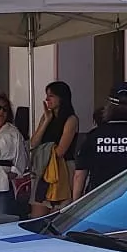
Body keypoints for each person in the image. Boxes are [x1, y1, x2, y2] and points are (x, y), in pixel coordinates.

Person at [73, 82, 127, 199]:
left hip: (100, 203)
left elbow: (80, 175)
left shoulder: (93, 136)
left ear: (108, 107)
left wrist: (76, 206)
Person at [28, 81, 79, 218]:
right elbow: (33, 143)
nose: (47, 99)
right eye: (47, 96)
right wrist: (46, 121)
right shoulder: (46, 117)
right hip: (44, 170)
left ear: (61, 98)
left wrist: (43, 151)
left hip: (62, 169)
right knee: (37, 215)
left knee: (57, 215)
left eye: (51, 96)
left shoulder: (71, 119)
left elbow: (60, 151)